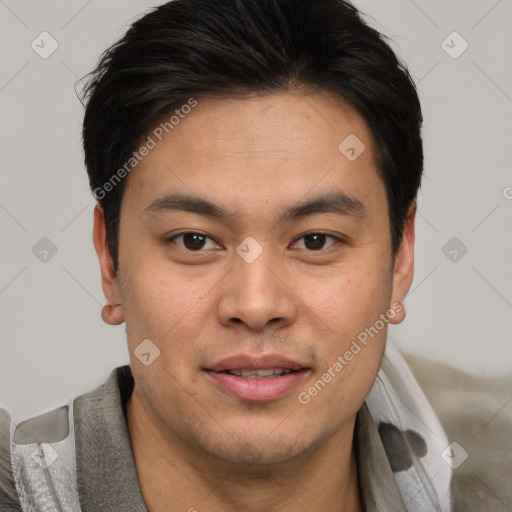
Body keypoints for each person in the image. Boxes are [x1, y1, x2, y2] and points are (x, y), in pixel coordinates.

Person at [0, 0, 453, 510]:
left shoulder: (487, 472)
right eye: (194, 240)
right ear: (110, 259)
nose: (256, 305)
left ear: (400, 258)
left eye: (316, 240)